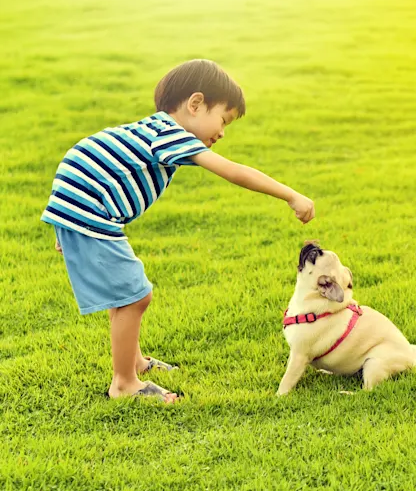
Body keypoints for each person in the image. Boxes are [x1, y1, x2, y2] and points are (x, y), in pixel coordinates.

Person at [41, 59, 315, 403]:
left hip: (79, 208)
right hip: (89, 213)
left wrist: (63, 223)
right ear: (195, 104)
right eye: (223, 119)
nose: (223, 132)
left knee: (122, 292)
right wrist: (290, 195)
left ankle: (135, 361)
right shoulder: (171, 133)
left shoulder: (155, 129)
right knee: (135, 296)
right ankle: (124, 383)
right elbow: (231, 171)